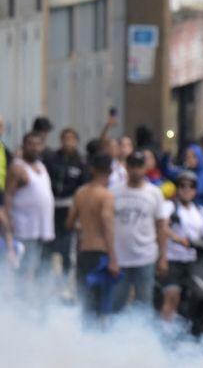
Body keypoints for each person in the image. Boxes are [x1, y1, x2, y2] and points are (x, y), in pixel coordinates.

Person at [110, 151, 168, 312]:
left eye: (139, 167)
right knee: (117, 305)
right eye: (132, 166)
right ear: (126, 168)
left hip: (145, 256)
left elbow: (161, 225)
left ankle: (143, 336)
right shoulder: (114, 192)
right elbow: (107, 225)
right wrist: (110, 256)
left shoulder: (154, 193)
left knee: (144, 305)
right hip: (120, 258)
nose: (136, 171)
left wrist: (163, 257)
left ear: (145, 168)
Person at [66, 153, 118, 317]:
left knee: (85, 303)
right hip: (100, 254)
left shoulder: (80, 193)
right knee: (100, 304)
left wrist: (83, 226)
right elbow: (107, 225)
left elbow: (69, 223)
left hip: (83, 252)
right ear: (109, 172)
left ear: (92, 170)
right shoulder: (106, 195)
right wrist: (113, 258)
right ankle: (97, 340)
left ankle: (85, 339)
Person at [159, 171, 203, 322]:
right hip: (174, 259)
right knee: (172, 296)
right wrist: (179, 239)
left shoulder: (200, 211)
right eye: (182, 186)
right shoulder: (169, 206)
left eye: (191, 186)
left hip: (195, 260)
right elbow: (163, 227)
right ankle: (166, 331)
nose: (186, 189)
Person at [4, 131, 55, 278]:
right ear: (24, 146)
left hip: (42, 227)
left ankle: (35, 296)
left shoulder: (41, 166)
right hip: (24, 226)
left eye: (38, 144)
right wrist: (8, 220)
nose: (34, 148)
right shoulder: (17, 167)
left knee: (38, 265)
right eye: (30, 144)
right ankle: (22, 298)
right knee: (25, 268)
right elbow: (8, 195)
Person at [44, 127, 86, 281]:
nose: (68, 142)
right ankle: (47, 278)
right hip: (52, 207)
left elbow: (83, 187)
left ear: (76, 142)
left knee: (67, 246)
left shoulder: (81, 162)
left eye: (71, 139)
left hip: (69, 208)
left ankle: (65, 280)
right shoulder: (52, 158)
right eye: (65, 138)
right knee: (49, 245)